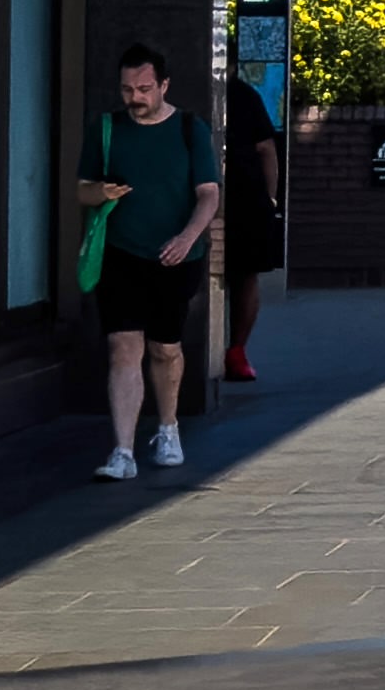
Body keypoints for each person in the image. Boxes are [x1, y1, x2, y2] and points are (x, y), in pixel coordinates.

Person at [75, 38, 221, 473]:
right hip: (120, 253)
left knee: (164, 348)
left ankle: (168, 427)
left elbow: (209, 194)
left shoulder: (190, 129)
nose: (134, 98)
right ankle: (122, 451)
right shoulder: (106, 128)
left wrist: (187, 237)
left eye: (143, 89)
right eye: (127, 89)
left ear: (163, 86)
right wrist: (100, 192)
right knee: (123, 347)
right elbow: (82, 190)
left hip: (174, 257)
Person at [217, 60, 288, 383]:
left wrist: (269, 200)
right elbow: (266, 149)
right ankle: (236, 351)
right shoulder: (246, 95)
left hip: (232, 197)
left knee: (240, 275)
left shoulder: (238, 95)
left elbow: (266, 148)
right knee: (245, 276)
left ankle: (231, 350)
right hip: (246, 198)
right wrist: (270, 199)